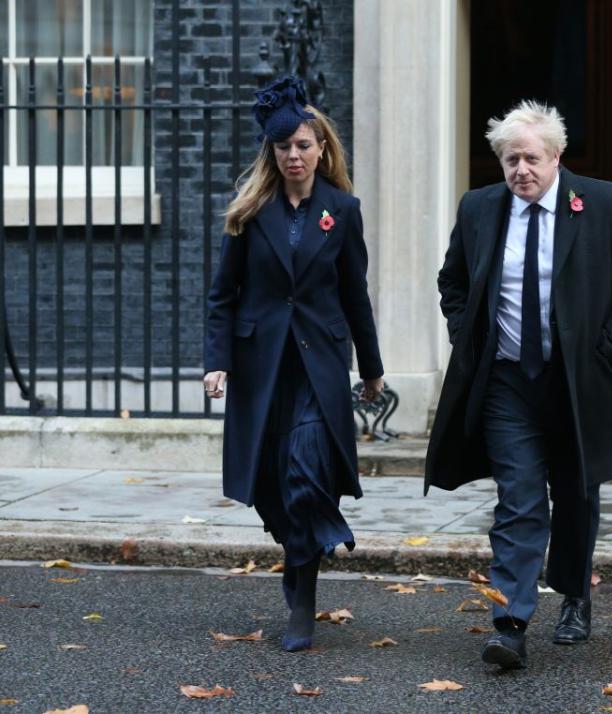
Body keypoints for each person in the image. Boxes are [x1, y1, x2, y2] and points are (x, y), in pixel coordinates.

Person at [425, 100, 612, 669]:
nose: (520, 170)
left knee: (577, 496)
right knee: (519, 499)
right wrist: (466, 333)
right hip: (508, 382)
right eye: (510, 160)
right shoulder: (480, 208)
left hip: (577, 382)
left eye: (530, 158)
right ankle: (510, 622)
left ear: (556, 156)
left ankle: (575, 595)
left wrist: (607, 351)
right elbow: (452, 280)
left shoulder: (602, 203)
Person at [203, 76, 384, 652]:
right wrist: (217, 362)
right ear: (272, 153)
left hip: (319, 364)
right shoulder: (249, 212)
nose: (294, 155)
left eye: (304, 145)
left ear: (322, 148)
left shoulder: (343, 210)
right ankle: (303, 546)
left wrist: (372, 368)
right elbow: (221, 296)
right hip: (261, 366)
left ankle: (303, 600)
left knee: (306, 469)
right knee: (271, 486)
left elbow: (355, 294)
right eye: (284, 148)